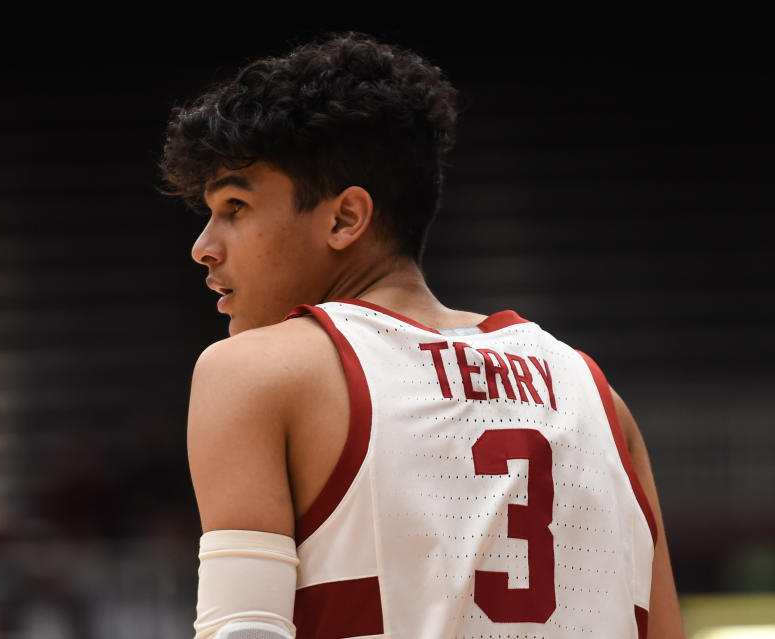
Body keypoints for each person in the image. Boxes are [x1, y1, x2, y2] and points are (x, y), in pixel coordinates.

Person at [160, 32, 685, 639]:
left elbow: (242, 631)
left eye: (234, 207)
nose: (204, 247)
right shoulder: (597, 396)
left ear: (344, 218)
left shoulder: (255, 372)